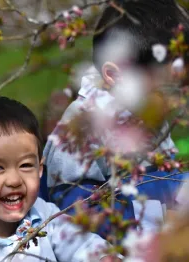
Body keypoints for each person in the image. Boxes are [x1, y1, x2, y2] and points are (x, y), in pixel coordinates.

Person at [43, 0, 189, 237]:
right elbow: (74, 210)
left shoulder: (146, 111)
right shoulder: (82, 125)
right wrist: (152, 220)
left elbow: (169, 177)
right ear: (115, 76)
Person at [0, 96, 116, 262]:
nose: (14, 180)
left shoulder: (45, 215)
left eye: (26, 165)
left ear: (40, 168)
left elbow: (84, 246)